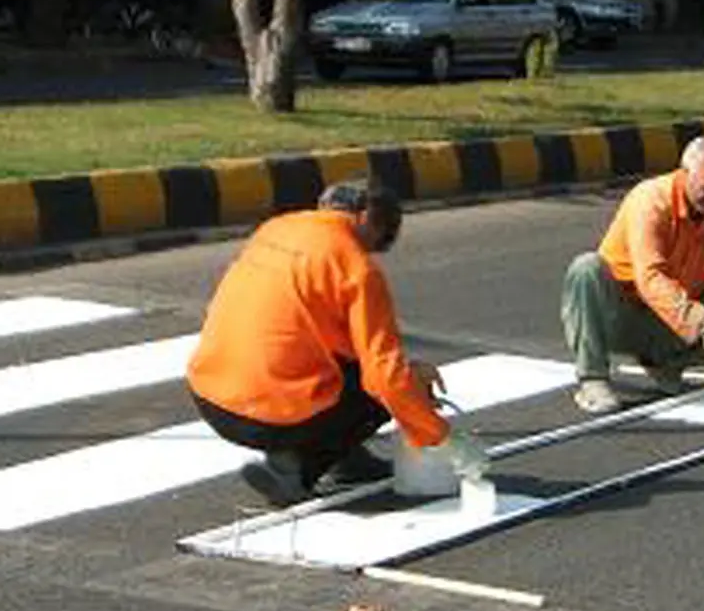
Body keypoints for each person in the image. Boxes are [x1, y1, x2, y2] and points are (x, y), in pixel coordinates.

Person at [186, 177, 489, 507]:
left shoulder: (276, 229)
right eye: (377, 242)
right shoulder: (356, 268)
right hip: (268, 415)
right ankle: (294, 471)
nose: (370, 252)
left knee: (365, 373)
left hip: (208, 394)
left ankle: (345, 458)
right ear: (368, 220)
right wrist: (443, 439)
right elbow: (384, 379)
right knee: (382, 393)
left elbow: (318, 330)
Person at [560, 134, 704, 413]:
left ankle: (666, 361)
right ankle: (592, 379)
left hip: (673, 320)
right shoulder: (651, 200)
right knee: (586, 269)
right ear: (686, 172)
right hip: (622, 315)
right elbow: (651, 278)